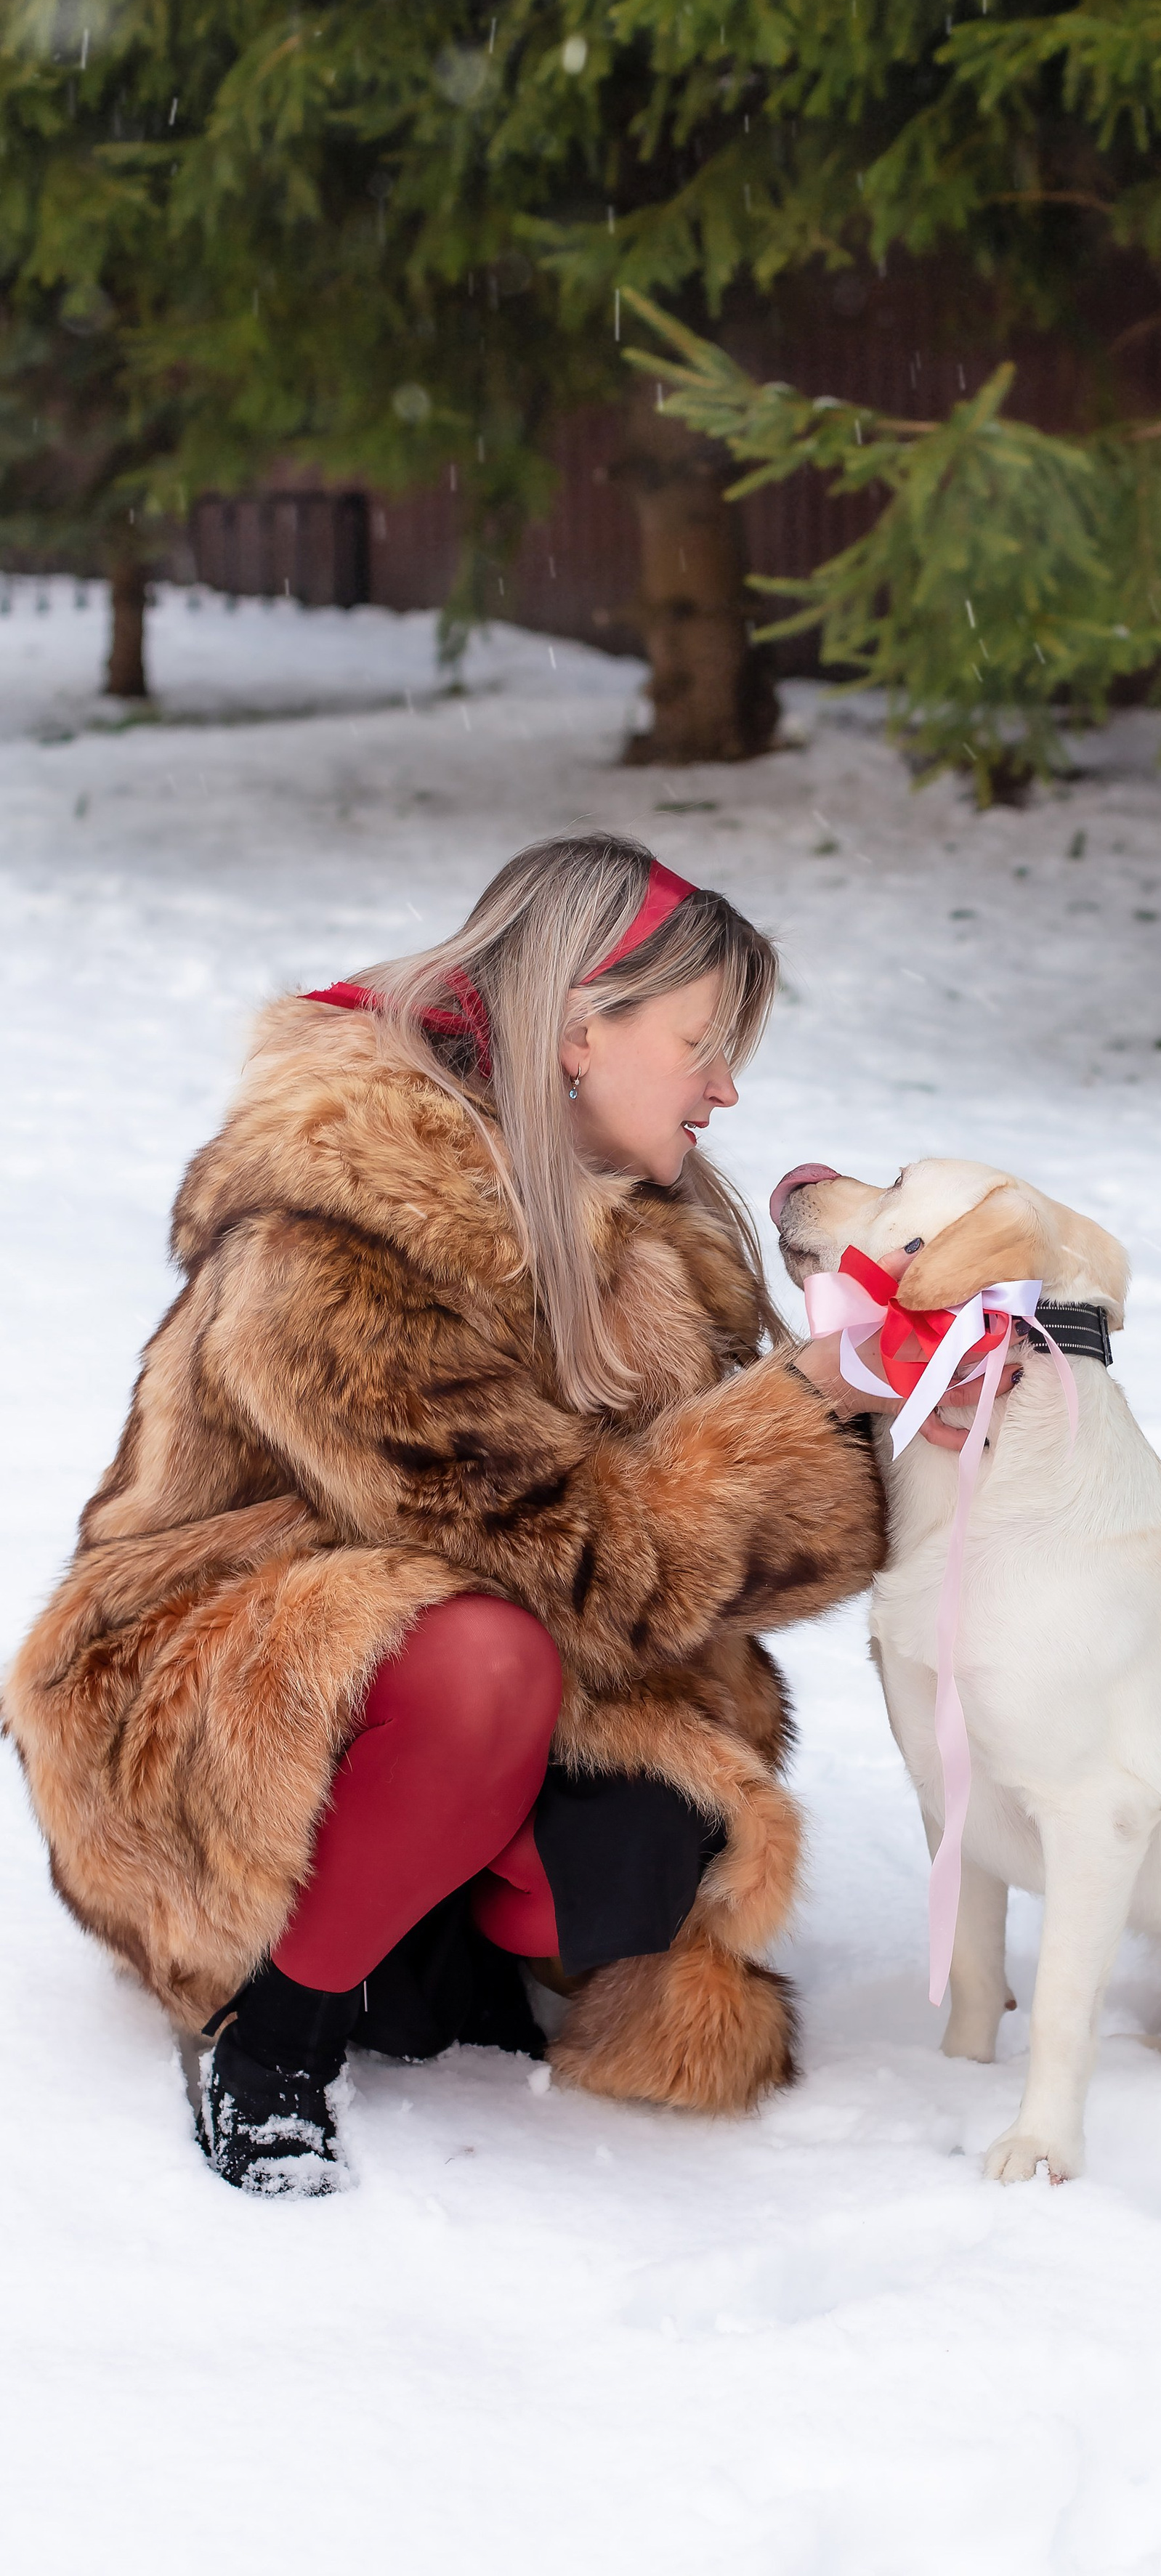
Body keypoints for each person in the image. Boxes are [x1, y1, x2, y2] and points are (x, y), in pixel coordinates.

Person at [6, 834, 895, 2195]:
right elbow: (583, 1562)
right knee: (488, 1652)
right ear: (583, 1029)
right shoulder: (341, 1229)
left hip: (470, 1679)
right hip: (224, 1700)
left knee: (660, 1845)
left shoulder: (646, 1227)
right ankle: (278, 2034)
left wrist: (888, 1410)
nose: (725, 1087)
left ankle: (416, 1916)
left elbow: (695, 1573)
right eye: (705, 1040)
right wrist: (800, 1408)